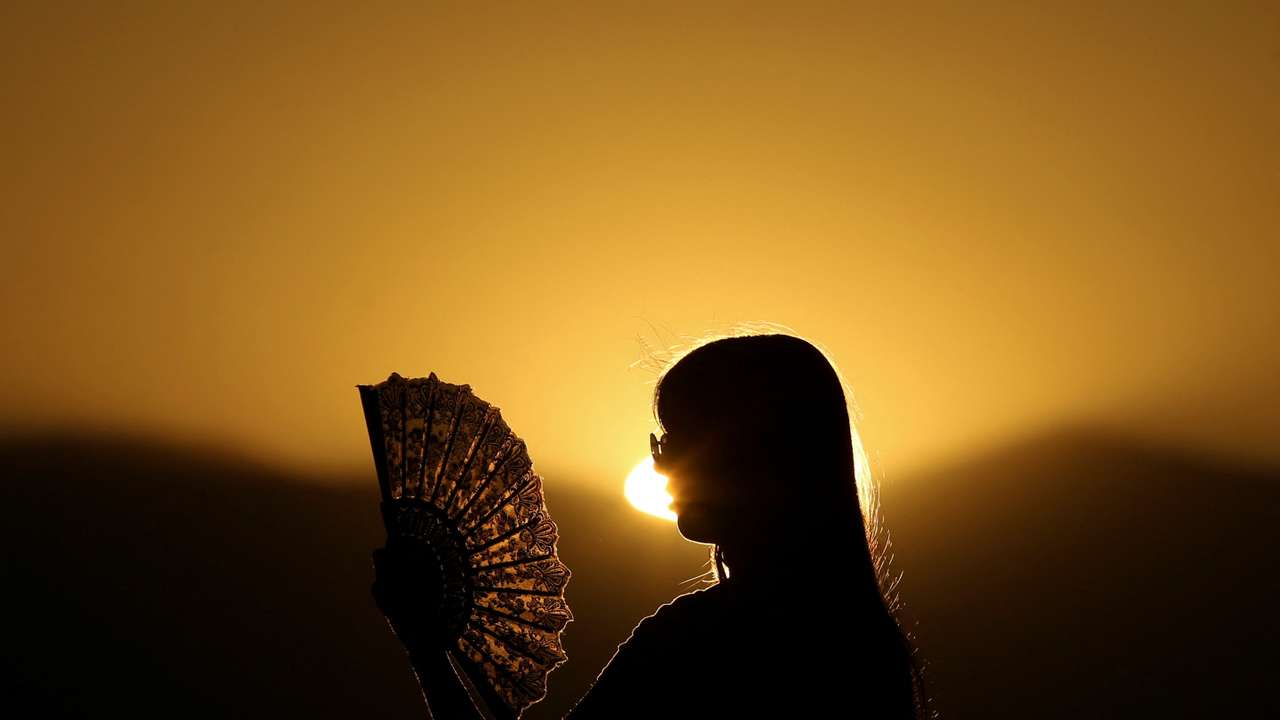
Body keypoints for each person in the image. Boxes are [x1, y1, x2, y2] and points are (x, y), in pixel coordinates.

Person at [372, 331, 930, 719]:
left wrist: (425, 646)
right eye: (661, 441)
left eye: (678, 438)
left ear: (755, 455)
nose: (661, 464)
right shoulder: (864, 645)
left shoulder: (700, 638)